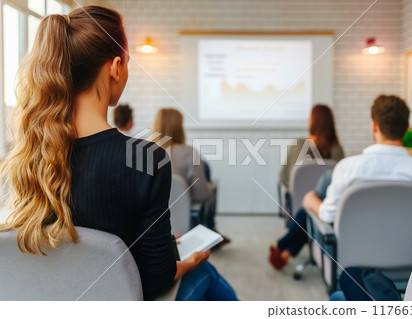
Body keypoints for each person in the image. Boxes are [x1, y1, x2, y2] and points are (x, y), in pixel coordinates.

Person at [0, 6, 237, 301]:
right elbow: (154, 281)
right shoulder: (147, 159)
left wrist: (160, 246)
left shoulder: (30, 156)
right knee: (202, 271)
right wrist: (184, 263)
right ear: (115, 67)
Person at [269, 95, 412, 270]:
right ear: (407, 128)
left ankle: (284, 246)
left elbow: (327, 215)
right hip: (411, 265)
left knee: (317, 195)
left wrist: (310, 201)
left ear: (374, 126)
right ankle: (285, 247)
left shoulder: (348, 168)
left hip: (353, 263)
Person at [152, 108, 230, 247]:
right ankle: (210, 229)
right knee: (210, 186)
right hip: (183, 216)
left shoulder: (144, 153)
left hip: (152, 221)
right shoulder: (190, 153)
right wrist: (209, 187)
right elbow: (201, 195)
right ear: (179, 127)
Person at [279, 104, 345, 189]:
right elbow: (342, 180)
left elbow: (284, 178)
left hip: (299, 200)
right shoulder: (337, 150)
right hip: (327, 200)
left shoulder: (299, 144)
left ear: (312, 121)